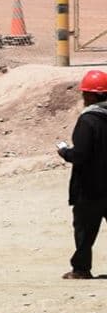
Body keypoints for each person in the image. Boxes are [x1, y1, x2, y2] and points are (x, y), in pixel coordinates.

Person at [57, 69, 107, 280]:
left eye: (85, 94)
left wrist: (64, 152)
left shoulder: (88, 121)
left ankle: (81, 269)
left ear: (92, 96)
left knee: (84, 230)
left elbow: (80, 155)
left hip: (90, 188)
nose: (83, 97)